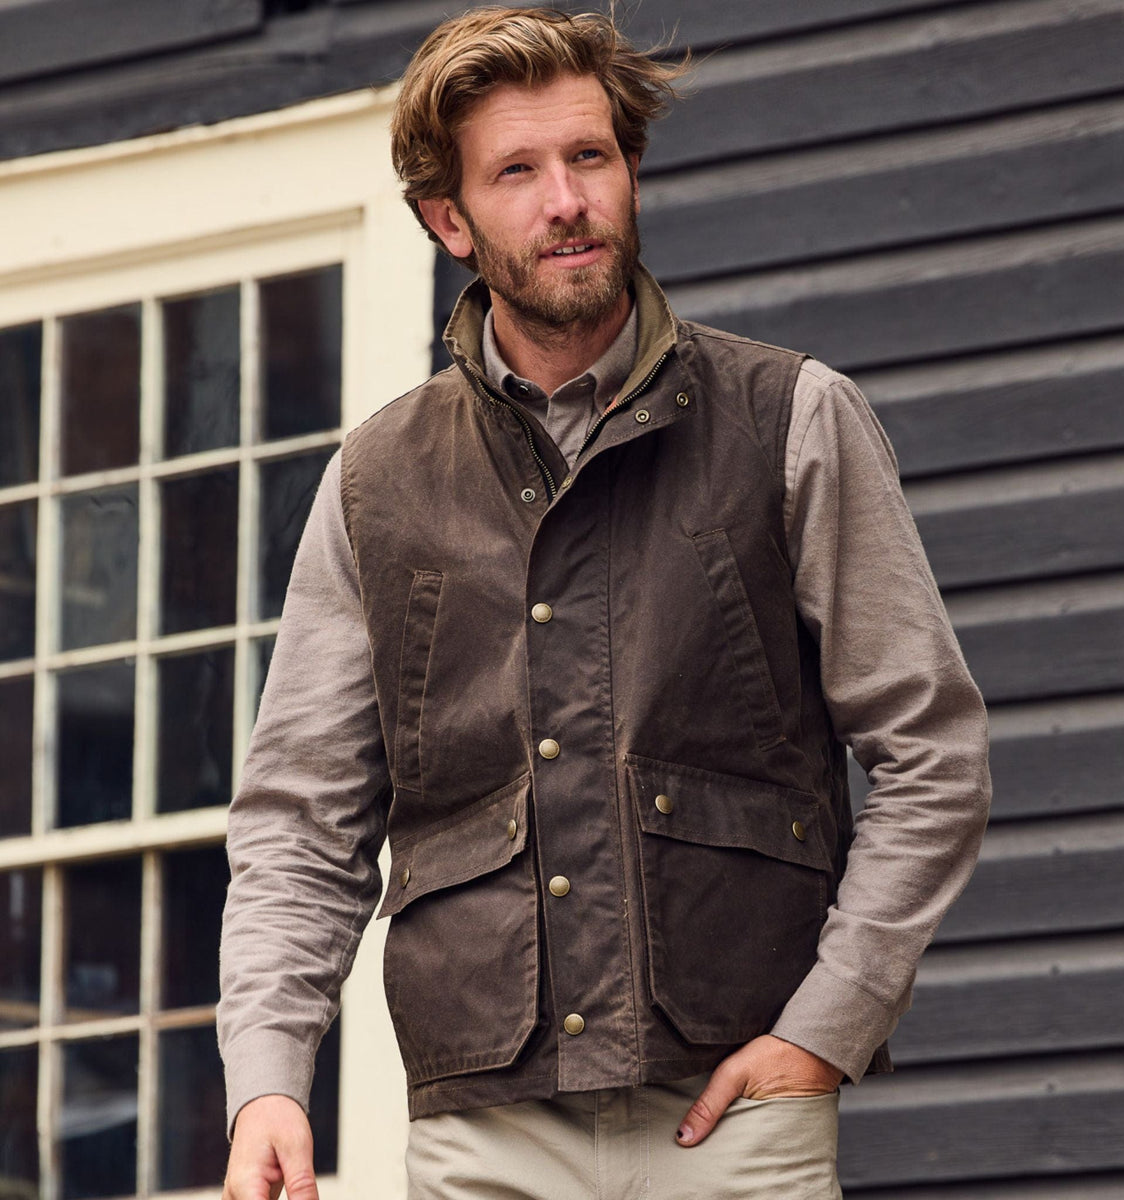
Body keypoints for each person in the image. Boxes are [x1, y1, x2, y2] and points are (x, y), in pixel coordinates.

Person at [218, 7, 991, 1199]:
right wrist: (269, 1078)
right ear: (449, 221)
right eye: (515, 172)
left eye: (589, 156)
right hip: (485, 1135)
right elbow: (300, 822)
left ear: (630, 171)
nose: (565, 200)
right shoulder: (374, 484)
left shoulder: (794, 418)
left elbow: (934, 753)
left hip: (740, 1113)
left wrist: (826, 1029)